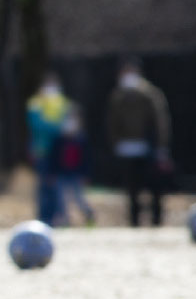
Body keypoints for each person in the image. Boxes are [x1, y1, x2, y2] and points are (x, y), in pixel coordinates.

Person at [107, 58, 171, 227]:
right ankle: (134, 220)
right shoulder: (118, 96)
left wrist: (161, 147)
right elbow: (113, 123)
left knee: (154, 184)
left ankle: (156, 219)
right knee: (131, 187)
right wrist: (116, 143)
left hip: (148, 147)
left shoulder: (150, 94)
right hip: (128, 148)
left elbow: (159, 121)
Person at [26, 74, 69, 225]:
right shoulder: (36, 103)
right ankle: (44, 218)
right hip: (42, 150)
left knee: (58, 186)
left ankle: (58, 217)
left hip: (61, 151)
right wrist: (57, 127)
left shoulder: (63, 102)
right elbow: (37, 126)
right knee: (45, 185)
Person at [53, 106, 95, 226]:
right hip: (62, 173)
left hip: (77, 174)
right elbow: (54, 159)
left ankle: (89, 217)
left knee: (79, 199)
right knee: (61, 200)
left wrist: (86, 175)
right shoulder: (59, 139)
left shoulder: (82, 139)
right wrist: (53, 173)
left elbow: (87, 160)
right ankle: (65, 222)